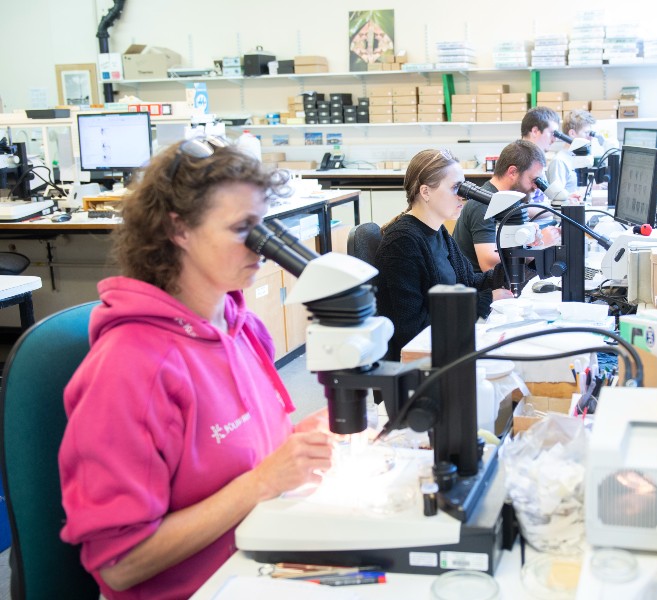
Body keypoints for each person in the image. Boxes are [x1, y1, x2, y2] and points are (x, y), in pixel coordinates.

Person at [58, 138, 334, 600]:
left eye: (263, 227)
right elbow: (119, 566)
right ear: (179, 229)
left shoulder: (238, 323)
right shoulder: (130, 368)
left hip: (258, 562)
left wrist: (303, 442)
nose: (262, 248)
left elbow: (241, 448)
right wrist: (263, 482)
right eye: (243, 228)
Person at [375, 148, 513, 360]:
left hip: (444, 342)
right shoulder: (402, 242)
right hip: (419, 359)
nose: (462, 197)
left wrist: (518, 261)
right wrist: (483, 301)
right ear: (426, 192)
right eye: (456, 188)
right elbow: (411, 327)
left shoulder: (438, 230)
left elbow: (468, 282)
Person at [452, 139, 548, 273]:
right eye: (534, 180)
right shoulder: (483, 205)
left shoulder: (510, 200)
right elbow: (489, 265)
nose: (536, 187)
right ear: (513, 172)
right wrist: (536, 249)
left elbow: (529, 213)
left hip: (502, 281)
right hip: (482, 288)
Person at [545, 109, 597, 199]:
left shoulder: (580, 158)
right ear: (572, 133)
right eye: (586, 133)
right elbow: (556, 198)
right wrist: (591, 188)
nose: (590, 138)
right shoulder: (560, 162)